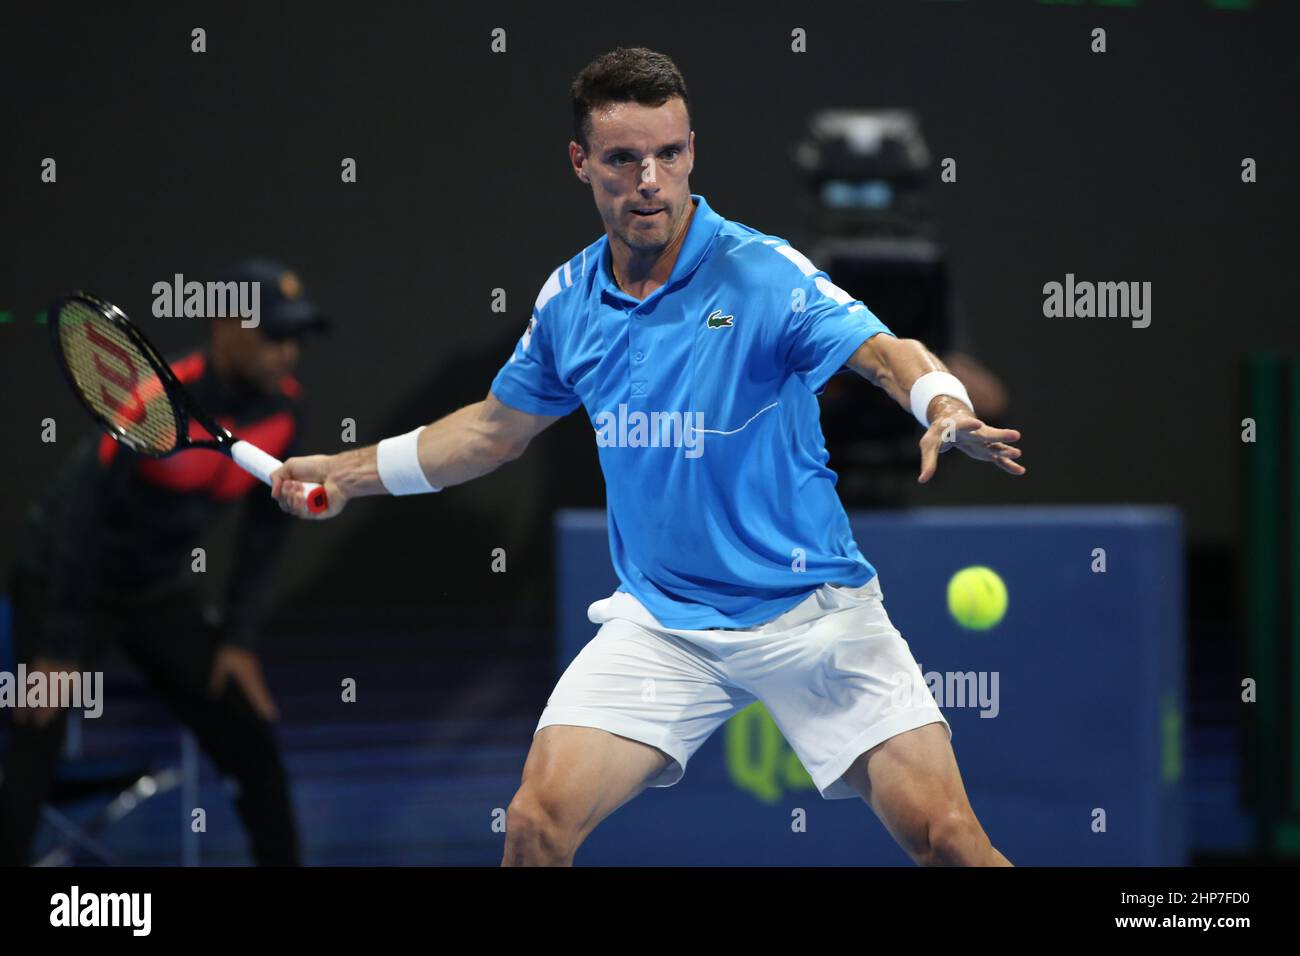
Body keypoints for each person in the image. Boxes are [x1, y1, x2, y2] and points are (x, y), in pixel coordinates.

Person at [270, 48, 1024, 866]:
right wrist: (343, 472)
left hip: (813, 611)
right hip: (665, 623)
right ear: (582, 163)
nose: (651, 180)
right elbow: (491, 432)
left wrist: (943, 403)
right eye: (624, 159)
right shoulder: (567, 299)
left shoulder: (761, 273)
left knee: (949, 840)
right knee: (533, 824)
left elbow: (886, 352)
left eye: (669, 154)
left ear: (691, 149)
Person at [0, 258, 324, 866]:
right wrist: (60, 648)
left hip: (154, 593)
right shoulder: (154, 395)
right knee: (36, 731)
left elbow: (264, 536)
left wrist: (237, 640)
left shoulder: (285, 413)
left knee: (248, 732)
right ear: (227, 325)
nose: (289, 353)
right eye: (274, 335)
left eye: (297, 338)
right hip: (67, 581)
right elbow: (80, 517)